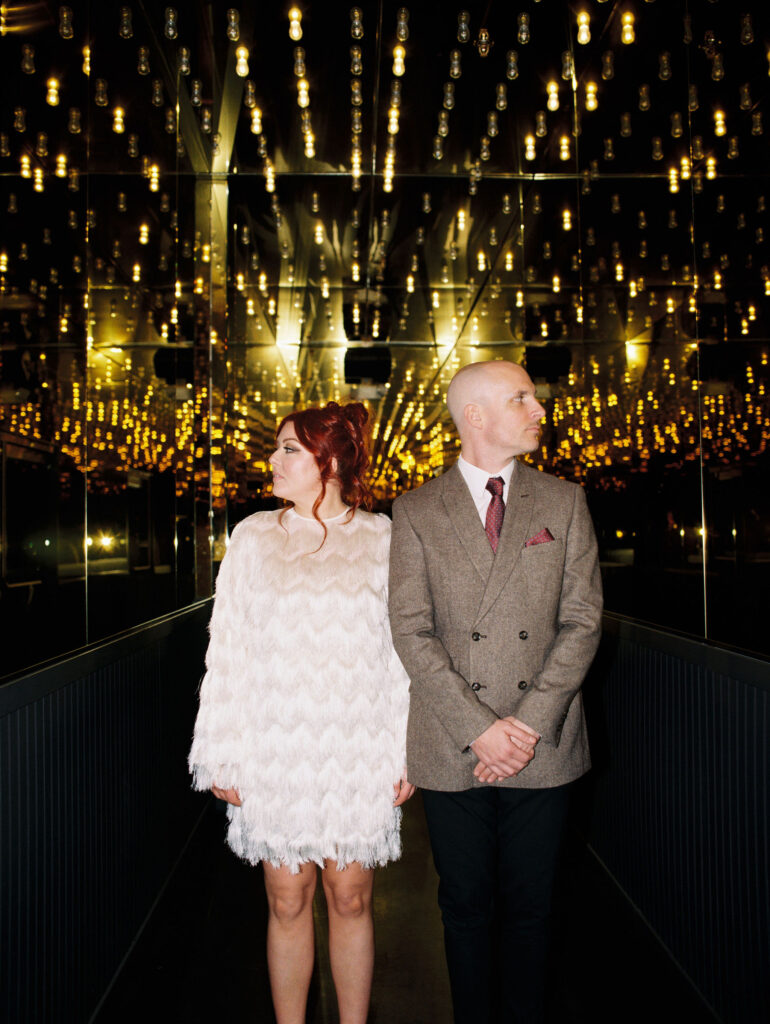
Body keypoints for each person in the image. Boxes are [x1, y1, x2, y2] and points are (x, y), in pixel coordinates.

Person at [388, 360, 602, 1024]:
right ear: (474, 415)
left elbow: (583, 620)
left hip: (544, 742)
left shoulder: (564, 500)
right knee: (466, 909)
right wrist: (479, 726)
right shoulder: (417, 508)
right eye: (522, 399)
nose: (539, 410)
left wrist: (527, 724)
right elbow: (410, 628)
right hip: (456, 744)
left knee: (534, 910)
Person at [189, 401, 414, 1024]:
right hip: (274, 745)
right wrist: (220, 749)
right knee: (286, 901)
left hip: (356, 745)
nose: (273, 460)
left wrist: (402, 750)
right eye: (277, 448)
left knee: (349, 898)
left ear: (332, 460)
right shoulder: (252, 536)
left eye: (290, 448)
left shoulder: (384, 538)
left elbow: (400, 654)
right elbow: (226, 647)